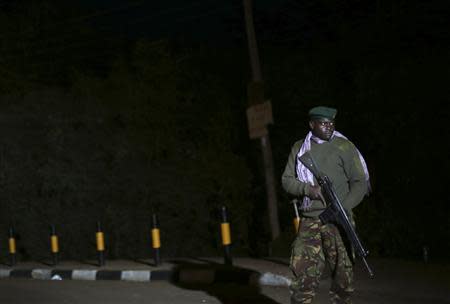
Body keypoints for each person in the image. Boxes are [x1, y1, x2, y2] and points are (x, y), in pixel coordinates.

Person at [281, 106, 370, 304]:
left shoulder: (344, 147)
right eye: (323, 123)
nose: (329, 127)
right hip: (310, 219)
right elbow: (287, 180)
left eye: (331, 123)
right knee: (302, 271)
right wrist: (309, 190)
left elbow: (360, 182)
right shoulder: (299, 148)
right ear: (311, 124)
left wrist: (342, 207)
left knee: (343, 274)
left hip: (339, 220)